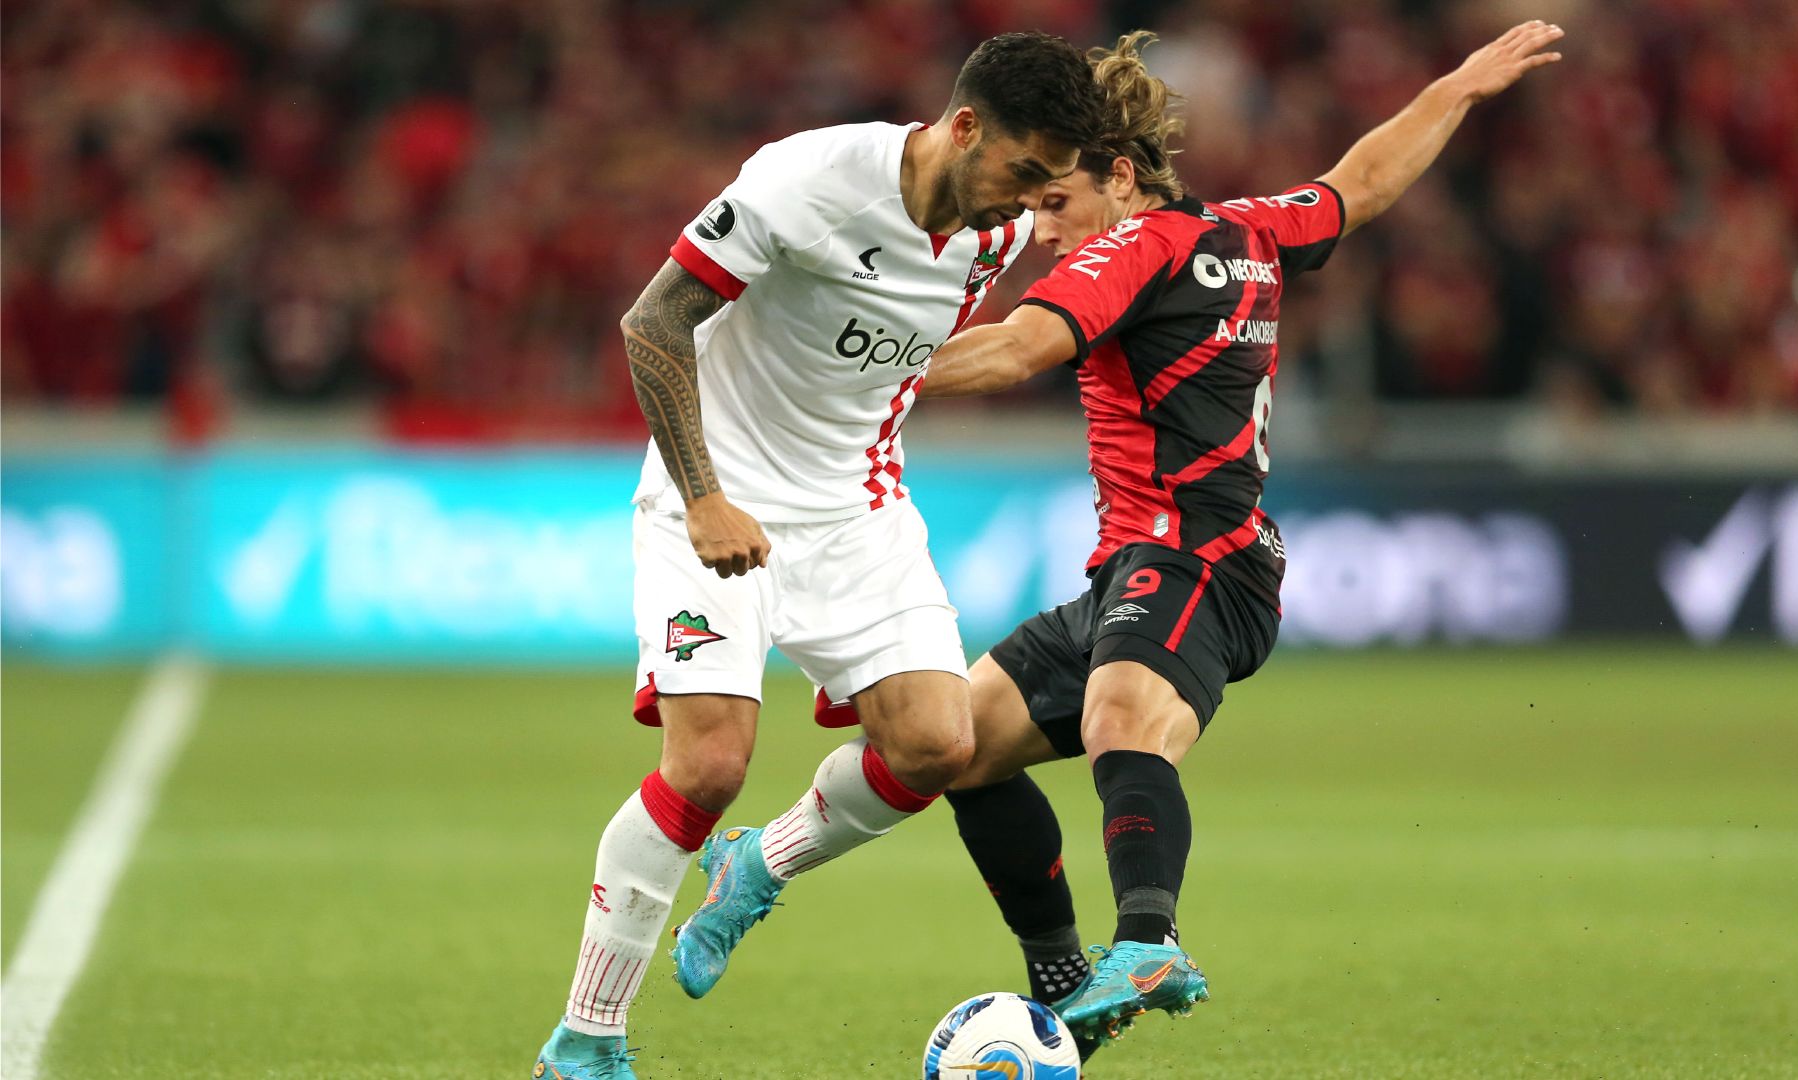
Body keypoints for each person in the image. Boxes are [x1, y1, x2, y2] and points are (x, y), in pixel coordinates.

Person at [920, 22, 1566, 1054]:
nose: (1042, 228)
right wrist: (1456, 89)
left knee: (1118, 715)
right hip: (1146, 565)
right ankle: (1062, 975)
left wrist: (864, 376)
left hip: (1196, 559)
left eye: (1053, 202)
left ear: (1120, 178)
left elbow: (1012, 350)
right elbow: (1363, 181)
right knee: (961, 743)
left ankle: (1148, 939)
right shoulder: (1254, 230)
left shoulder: (1128, 252)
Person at [532, 32, 1107, 1080]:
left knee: (940, 746)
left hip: (858, 511)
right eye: (1020, 173)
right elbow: (653, 322)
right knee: (708, 762)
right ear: (963, 127)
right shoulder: (810, 180)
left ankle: (761, 866)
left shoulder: (1002, 219)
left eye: (1043, 185)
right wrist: (705, 497)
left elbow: (1120, 200)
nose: (1025, 204)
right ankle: (587, 1039)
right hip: (718, 493)